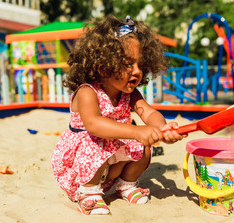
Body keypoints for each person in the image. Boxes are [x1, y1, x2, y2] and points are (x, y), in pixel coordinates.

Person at [51, 15, 186, 215]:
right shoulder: (87, 92)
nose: (137, 71)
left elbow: (148, 112)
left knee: (143, 145)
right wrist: (137, 131)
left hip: (109, 163)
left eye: (140, 65)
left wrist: (161, 128)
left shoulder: (129, 93)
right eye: (128, 64)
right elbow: (94, 124)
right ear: (102, 64)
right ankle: (88, 193)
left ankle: (126, 185)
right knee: (95, 143)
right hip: (82, 167)